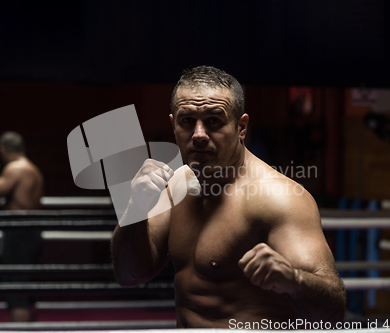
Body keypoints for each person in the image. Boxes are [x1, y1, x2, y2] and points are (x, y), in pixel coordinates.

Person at [111, 66, 345, 328]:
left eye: (214, 120)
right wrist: (135, 206)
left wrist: (294, 280)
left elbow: (332, 315)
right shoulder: (177, 184)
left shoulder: (278, 198)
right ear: (173, 125)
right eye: (187, 120)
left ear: (241, 127)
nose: (199, 134)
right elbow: (129, 274)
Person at [0, 131, 44, 322]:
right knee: (27, 289)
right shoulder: (34, 169)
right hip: (32, 230)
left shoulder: (15, 169)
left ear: (2, 150)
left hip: (18, 233)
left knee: (16, 290)